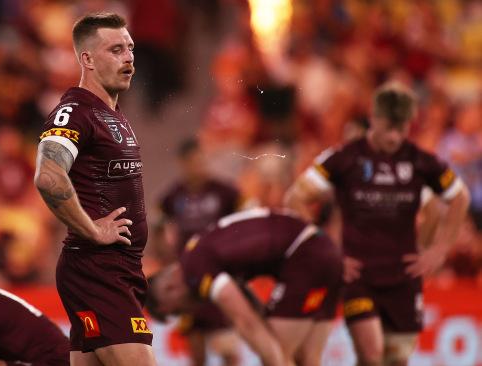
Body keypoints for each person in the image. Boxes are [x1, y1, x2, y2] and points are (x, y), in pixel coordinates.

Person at [284, 82, 471, 366]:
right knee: (372, 354)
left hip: (403, 279)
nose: (395, 137)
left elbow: (458, 198)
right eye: (389, 129)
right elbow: (295, 198)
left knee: (395, 359)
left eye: (402, 128)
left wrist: (437, 250)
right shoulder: (345, 159)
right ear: (374, 119)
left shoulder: (420, 162)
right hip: (359, 277)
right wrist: (328, 254)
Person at [33, 12, 155, 366]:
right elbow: (48, 175)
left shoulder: (111, 113)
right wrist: (92, 229)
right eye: (116, 50)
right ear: (86, 59)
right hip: (98, 270)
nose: (129, 57)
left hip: (118, 270)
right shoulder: (75, 112)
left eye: (130, 48)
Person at [147, 207, 343, 366]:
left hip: (304, 257)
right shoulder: (196, 251)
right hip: (325, 250)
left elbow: (245, 320)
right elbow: (246, 298)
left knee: (277, 354)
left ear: (170, 288)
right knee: (306, 359)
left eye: (177, 311)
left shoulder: (195, 268)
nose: (187, 312)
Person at [157, 137, 242, 366]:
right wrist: (164, 254)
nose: (199, 166)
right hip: (188, 282)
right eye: (193, 162)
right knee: (195, 349)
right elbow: (157, 225)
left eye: (201, 161)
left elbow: (243, 222)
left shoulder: (225, 192)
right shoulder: (173, 196)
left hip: (218, 276)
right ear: (182, 164)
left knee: (227, 348)